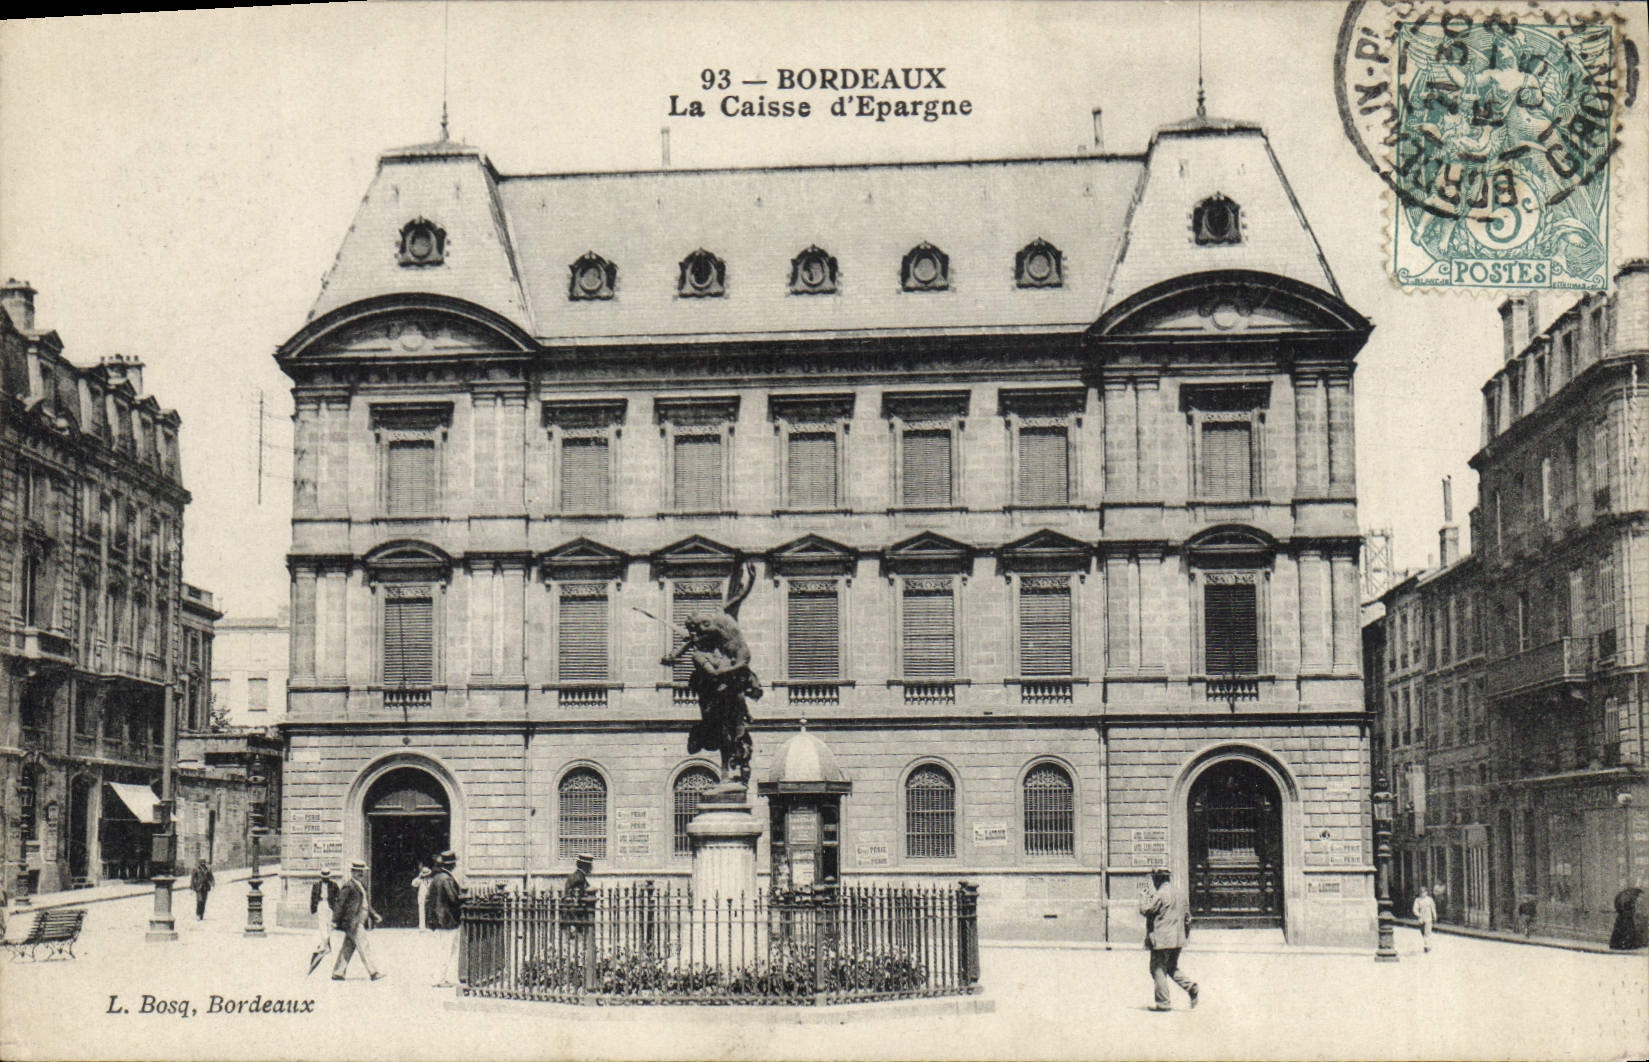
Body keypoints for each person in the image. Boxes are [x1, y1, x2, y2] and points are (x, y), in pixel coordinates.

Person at [1137, 867, 1198, 1012]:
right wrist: (1186, 935)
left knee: (1157, 969)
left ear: (1157, 879)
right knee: (1171, 967)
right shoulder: (1180, 893)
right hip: (1178, 938)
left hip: (1162, 939)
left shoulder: (1160, 894)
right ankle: (1190, 987)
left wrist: (1143, 897)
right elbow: (1188, 917)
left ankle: (1163, 1003)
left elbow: (1146, 910)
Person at [331, 860, 385, 982]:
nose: (360, 874)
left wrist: (374, 915)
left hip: (358, 921)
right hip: (353, 921)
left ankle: (338, 972)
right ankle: (373, 972)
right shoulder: (348, 886)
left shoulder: (361, 886)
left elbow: (365, 904)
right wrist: (334, 920)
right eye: (357, 871)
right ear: (352, 872)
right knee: (364, 946)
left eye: (362, 871)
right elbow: (340, 904)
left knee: (348, 947)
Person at [426, 850, 464, 988]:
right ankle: (440, 979)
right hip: (448, 919)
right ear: (450, 865)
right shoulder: (446, 878)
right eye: (454, 863)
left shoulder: (437, 877)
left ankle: (447, 977)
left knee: (447, 949)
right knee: (448, 950)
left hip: (441, 919)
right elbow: (453, 898)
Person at [310, 867, 340, 947]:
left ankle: (326, 942)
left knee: (329, 924)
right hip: (321, 904)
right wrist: (313, 907)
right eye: (324, 877)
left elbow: (339, 897)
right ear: (321, 877)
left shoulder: (334, 885)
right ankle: (326, 942)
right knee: (322, 923)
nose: (325, 879)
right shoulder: (316, 885)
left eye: (327, 877)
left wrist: (336, 908)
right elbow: (313, 897)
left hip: (330, 905)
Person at [1610, 886, 1644, 951]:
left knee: (1622, 931)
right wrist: (1630, 911)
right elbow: (1628, 909)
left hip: (1624, 917)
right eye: (1638, 895)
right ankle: (1627, 944)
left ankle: (1617, 944)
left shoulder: (1625, 898)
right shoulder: (1629, 899)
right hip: (1626, 917)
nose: (1639, 897)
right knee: (1627, 931)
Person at [1413, 885, 1438, 952]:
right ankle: (1427, 944)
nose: (1422, 894)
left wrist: (1434, 916)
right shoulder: (1417, 900)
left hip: (1428, 918)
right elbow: (1415, 909)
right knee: (1422, 932)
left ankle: (1427, 946)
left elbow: (1433, 908)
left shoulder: (1429, 900)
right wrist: (1418, 914)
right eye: (1421, 892)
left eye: (1424, 892)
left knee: (1427, 933)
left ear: (1426, 892)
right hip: (1421, 919)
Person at [410, 864, 433, 931]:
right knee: (421, 911)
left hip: (429, 897)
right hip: (422, 896)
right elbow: (413, 884)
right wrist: (419, 877)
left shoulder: (431, 880)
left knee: (430, 911)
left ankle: (430, 925)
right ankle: (422, 926)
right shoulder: (420, 880)